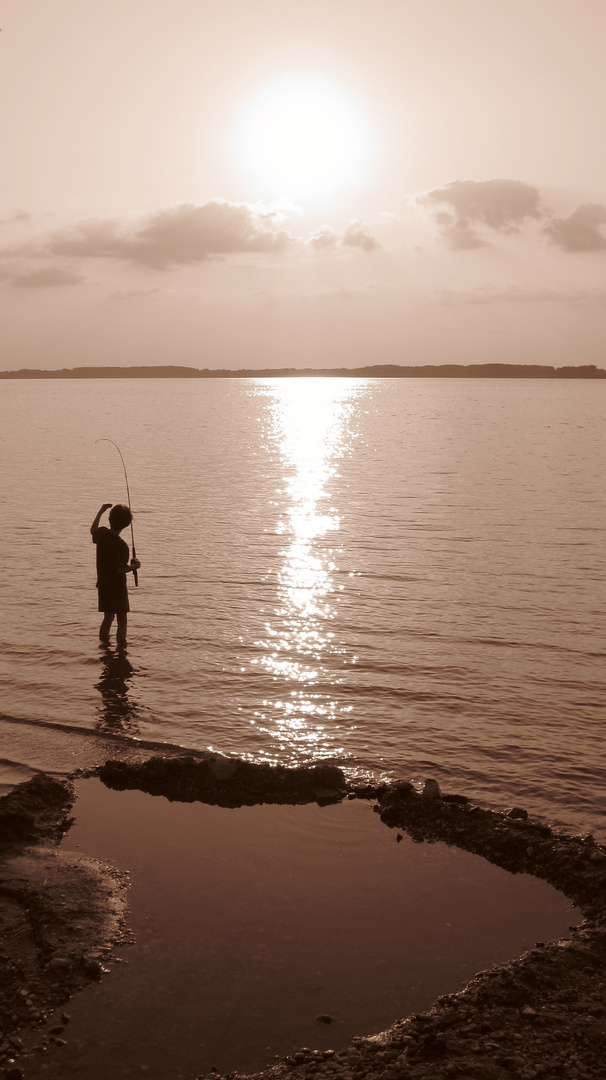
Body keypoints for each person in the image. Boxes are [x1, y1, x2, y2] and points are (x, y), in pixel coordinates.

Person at [90, 503, 141, 646]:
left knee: (108, 617)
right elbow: (120, 570)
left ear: (109, 519)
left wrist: (100, 511)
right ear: (127, 524)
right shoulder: (121, 546)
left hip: (103, 585)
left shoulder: (102, 534)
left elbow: (93, 530)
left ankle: (103, 645)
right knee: (122, 618)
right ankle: (121, 647)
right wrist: (135, 566)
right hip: (117, 588)